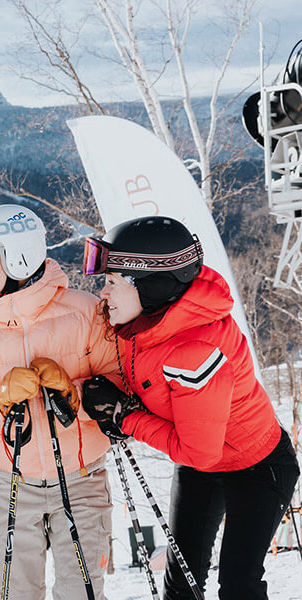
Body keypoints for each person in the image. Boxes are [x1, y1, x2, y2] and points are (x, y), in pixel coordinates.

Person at [80, 215, 300, 600]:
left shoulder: (194, 349)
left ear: (150, 286)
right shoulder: (143, 322)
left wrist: (125, 418)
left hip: (258, 464)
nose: (104, 294)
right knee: (181, 582)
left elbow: (198, 450)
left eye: (113, 282)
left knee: (238, 584)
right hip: (204, 464)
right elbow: (147, 380)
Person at [0, 204, 119, 600]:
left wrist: (74, 390)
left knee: (83, 593)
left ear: (19, 252)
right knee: (16, 594)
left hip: (81, 478)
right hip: (8, 483)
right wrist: (1, 399)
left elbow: (119, 384)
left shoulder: (84, 311)